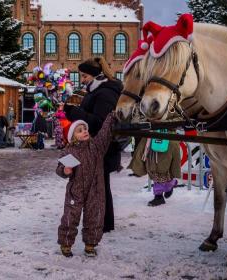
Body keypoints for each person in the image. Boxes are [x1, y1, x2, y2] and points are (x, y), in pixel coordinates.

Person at [64, 56, 123, 233]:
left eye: (84, 76)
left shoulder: (105, 92)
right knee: (99, 186)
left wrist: (73, 112)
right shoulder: (97, 91)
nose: (82, 80)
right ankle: (104, 222)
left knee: (99, 186)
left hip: (103, 148)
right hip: (98, 148)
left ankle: (103, 223)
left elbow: (99, 123)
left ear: (96, 75)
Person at [57, 113, 116, 257]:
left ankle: (90, 245)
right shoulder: (69, 151)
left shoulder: (96, 147)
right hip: (75, 191)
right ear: (72, 137)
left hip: (95, 189)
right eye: (80, 130)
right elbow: (59, 169)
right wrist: (65, 170)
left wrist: (111, 117)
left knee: (94, 216)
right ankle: (66, 244)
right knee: (70, 217)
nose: (84, 131)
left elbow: (104, 133)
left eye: (85, 128)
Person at [128, 137, 181, 206]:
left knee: (165, 171)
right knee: (155, 171)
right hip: (153, 143)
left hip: (167, 142)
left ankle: (165, 190)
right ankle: (159, 196)